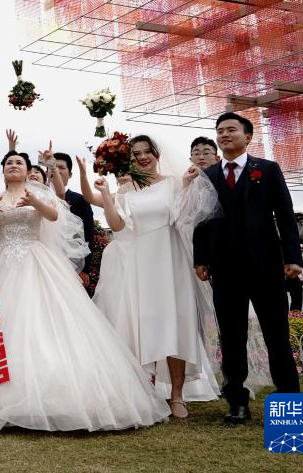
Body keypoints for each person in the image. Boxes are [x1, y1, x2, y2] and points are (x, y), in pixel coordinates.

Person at [0, 150, 168, 433]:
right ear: (3, 170)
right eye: (9, 163)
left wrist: (35, 201)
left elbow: (53, 216)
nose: (13, 166)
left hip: (37, 260)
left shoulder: (39, 193)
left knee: (46, 321)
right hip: (1, 261)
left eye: (19, 163)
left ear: (27, 170)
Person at [80, 134, 220, 419]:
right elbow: (116, 224)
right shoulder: (126, 189)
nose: (143, 157)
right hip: (140, 260)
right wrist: (103, 192)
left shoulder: (173, 181)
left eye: (147, 152)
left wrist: (187, 184)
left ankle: (177, 395)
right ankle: (150, 390)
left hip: (170, 257)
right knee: (146, 324)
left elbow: (184, 216)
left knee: (175, 323)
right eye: (136, 154)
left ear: (157, 154)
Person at [193, 112, 303, 424]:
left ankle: (289, 401)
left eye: (231, 129)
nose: (224, 135)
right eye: (220, 131)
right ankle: (237, 401)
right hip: (224, 270)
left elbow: (285, 214)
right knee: (231, 337)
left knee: (276, 335)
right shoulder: (207, 176)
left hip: (265, 267)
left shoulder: (267, 170)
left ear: (248, 136)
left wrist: (292, 257)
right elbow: (200, 219)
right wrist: (200, 259)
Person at [52, 152, 95, 288]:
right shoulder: (35, 198)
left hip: (72, 265)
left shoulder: (79, 200)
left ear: (70, 174)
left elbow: (88, 233)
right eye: (53, 167)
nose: (57, 170)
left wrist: (84, 269)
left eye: (62, 167)